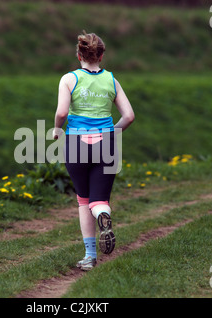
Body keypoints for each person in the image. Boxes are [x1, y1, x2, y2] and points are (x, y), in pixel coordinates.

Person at [53, 31, 134, 271]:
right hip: (106, 143)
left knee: (83, 200)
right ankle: (102, 214)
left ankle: (90, 256)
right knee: (99, 200)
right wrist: (113, 132)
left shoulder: (69, 79)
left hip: (77, 144)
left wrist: (57, 129)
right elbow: (129, 116)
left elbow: (62, 112)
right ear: (101, 55)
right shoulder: (111, 80)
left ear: (79, 55)